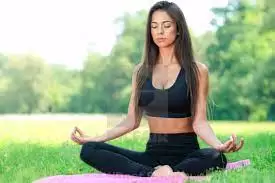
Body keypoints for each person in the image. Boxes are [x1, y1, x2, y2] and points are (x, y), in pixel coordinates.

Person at [71, 0, 244, 179]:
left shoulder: (197, 71)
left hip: (186, 155)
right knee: (90, 149)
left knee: (216, 157)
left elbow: (199, 122)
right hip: (152, 156)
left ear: (178, 29)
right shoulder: (140, 71)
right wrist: (95, 138)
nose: (159, 32)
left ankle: (170, 173)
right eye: (154, 26)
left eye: (166, 25)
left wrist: (218, 145)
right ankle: (153, 174)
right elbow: (131, 121)